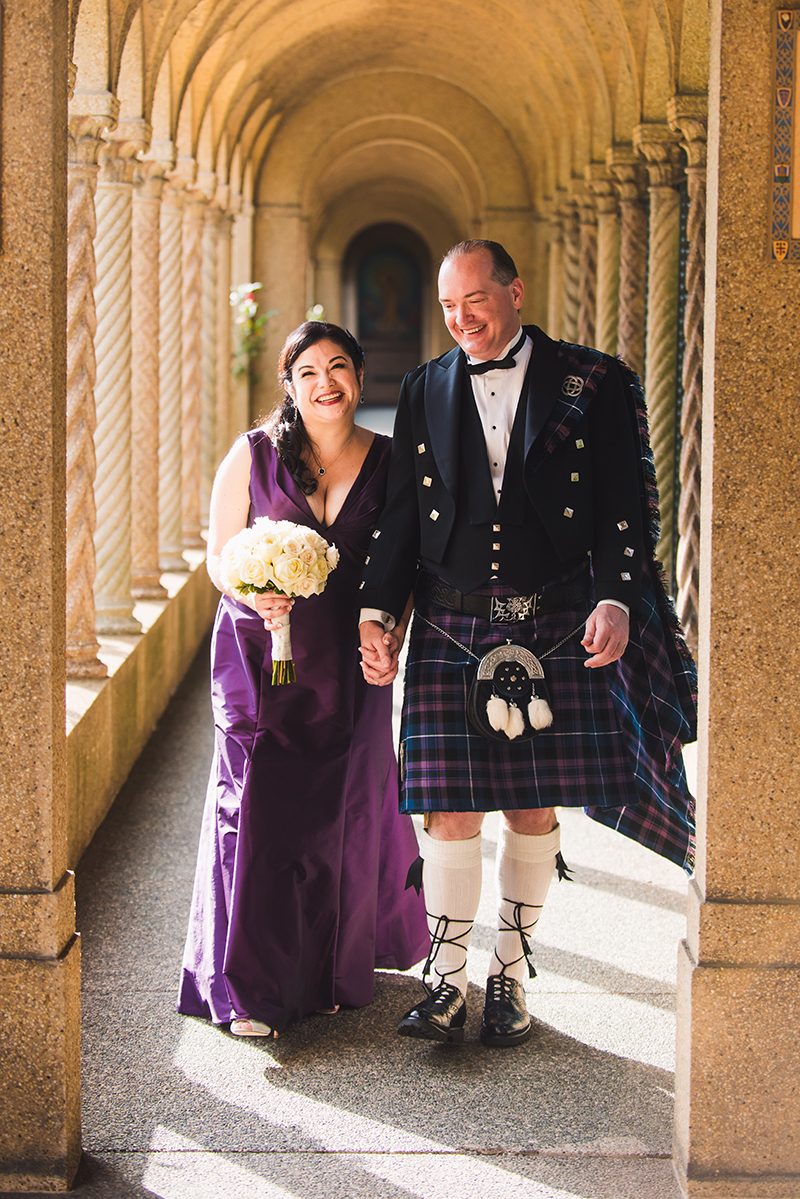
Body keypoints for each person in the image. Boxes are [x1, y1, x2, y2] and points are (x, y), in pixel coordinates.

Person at [359, 240, 696, 1048]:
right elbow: (402, 513)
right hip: (451, 616)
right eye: (447, 306)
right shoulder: (423, 387)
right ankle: (445, 980)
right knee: (446, 808)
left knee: (532, 802)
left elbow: (625, 503)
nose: (460, 318)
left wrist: (615, 596)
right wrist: (379, 610)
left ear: (515, 291)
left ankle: (508, 973)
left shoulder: (594, 380)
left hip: (555, 613)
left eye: (474, 299)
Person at [178, 321, 430, 1038]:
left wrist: (394, 635)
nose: (327, 383)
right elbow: (217, 556)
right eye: (310, 371)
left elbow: (404, 567)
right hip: (259, 658)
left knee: (339, 812)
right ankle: (248, 987)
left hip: (349, 666)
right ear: (288, 385)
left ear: (360, 375)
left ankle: (323, 970)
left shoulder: (388, 461)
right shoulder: (252, 455)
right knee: (255, 806)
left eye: (340, 367)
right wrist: (252, 593)